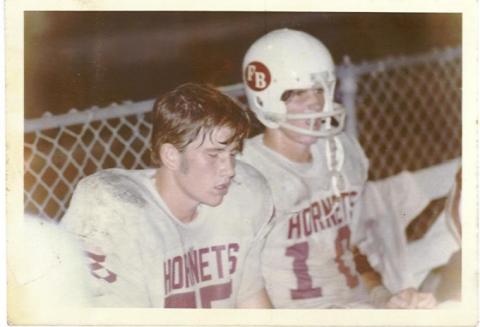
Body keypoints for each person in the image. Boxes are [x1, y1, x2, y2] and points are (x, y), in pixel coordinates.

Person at [238, 28, 441, 309]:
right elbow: (238, 286)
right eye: (296, 94)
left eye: (319, 90)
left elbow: (352, 252)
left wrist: (386, 300)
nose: (314, 103)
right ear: (265, 98)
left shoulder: (342, 152)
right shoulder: (243, 173)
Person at [61, 83, 274, 308]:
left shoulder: (243, 195)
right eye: (214, 154)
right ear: (171, 156)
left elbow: (250, 296)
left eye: (232, 154)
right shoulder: (115, 210)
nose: (229, 169)